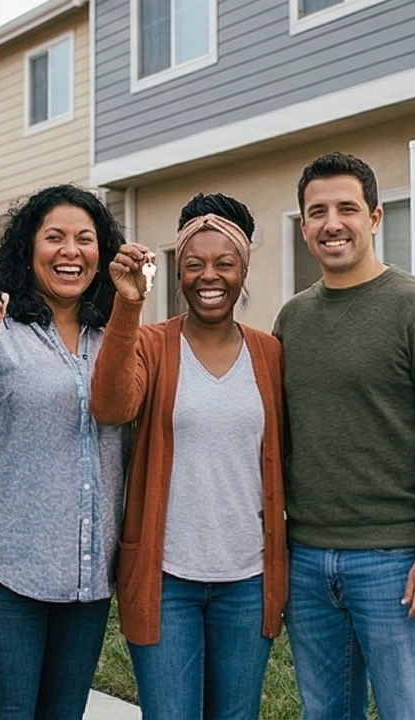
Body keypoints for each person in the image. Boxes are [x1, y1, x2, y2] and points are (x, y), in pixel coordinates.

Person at [273, 153, 415, 720]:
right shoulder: (293, 319)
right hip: (308, 561)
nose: (332, 223)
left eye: (347, 209)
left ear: (376, 217)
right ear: (305, 224)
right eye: (317, 212)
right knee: (325, 713)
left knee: (409, 710)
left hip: (396, 561)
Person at [0, 186, 127, 720]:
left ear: (101, 253)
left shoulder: (115, 334)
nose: (70, 251)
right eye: (53, 237)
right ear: (28, 248)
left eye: (85, 239)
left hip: (84, 579)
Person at [90, 196, 286, 720]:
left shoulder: (269, 353)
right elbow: (110, 406)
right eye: (194, 265)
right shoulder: (152, 345)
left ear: (244, 271)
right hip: (167, 578)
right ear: (178, 272)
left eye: (224, 264)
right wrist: (127, 306)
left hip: (247, 581)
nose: (209, 277)